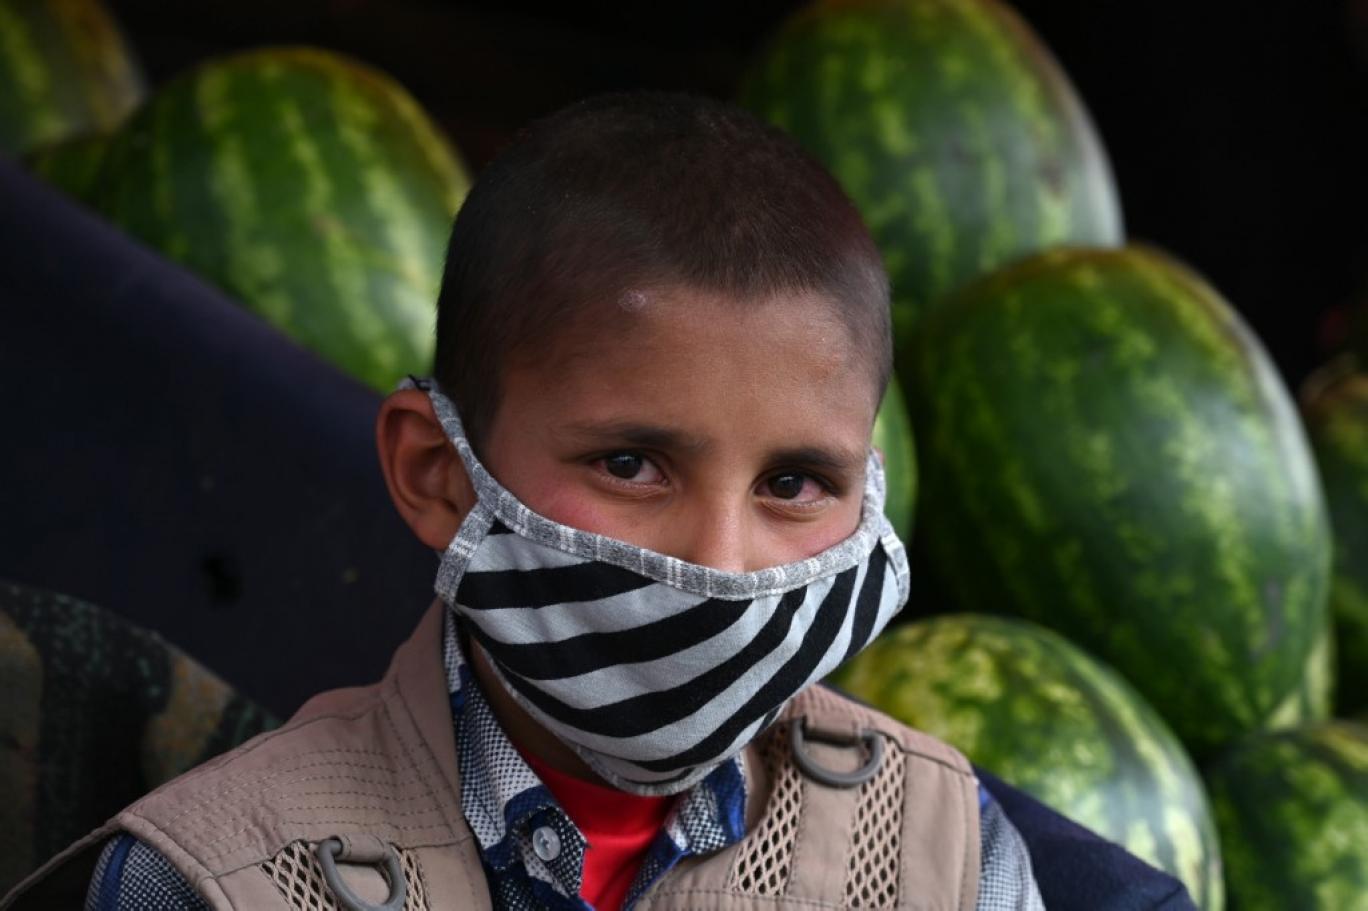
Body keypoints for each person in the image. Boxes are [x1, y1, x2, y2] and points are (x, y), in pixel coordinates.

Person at [7, 91, 1046, 910]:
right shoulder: (220, 881)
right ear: (438, 472)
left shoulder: (944, 856)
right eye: (631, 463)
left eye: (792, 484)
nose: (723, 562)